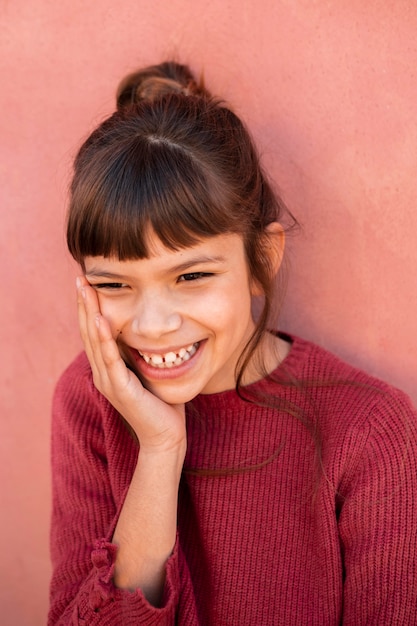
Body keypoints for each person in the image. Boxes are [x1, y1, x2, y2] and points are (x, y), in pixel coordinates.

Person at [48, 61, 417, 626]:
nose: (152, 325)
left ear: (260, 261)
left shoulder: (367, 431)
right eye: (114, 285)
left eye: (191, 277)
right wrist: (159, 452)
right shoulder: (90, 398)